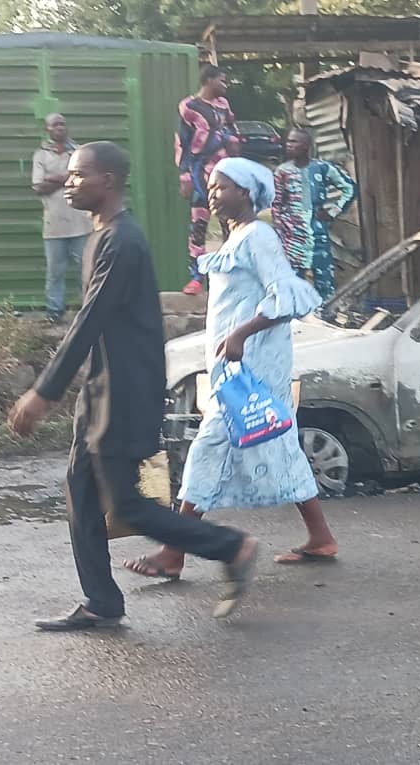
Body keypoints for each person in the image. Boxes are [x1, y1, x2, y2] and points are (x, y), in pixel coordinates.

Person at [8, 141, 259, 630]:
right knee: (80, 492)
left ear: (108, 180)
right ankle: (101, 601)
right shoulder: (102, 236)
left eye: (79, 175)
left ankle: (233, 546)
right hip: (101, 390)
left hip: (126, 393)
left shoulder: (123, 242)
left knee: (127, 505)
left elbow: (88, 321)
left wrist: (43, 392)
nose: (69, 182)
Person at [123, 157, 339, 579]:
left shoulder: (258, 236)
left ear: (245, 192)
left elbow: (288, 296)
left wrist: (241, 333)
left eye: (221, 186)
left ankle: (174, 550)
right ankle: (321, 537)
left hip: (251, 367)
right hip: (237, 366)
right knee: (280, 443)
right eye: (211, 185)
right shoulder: (237, 238)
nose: (213, 193)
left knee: (208, 447)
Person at [272, 128, 357, 301]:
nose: (289, 145)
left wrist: (333, 211)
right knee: (292, 281)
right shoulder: (282, 172)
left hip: (318, 234)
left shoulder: (322, 168)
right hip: (292, 237)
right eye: (288, 141)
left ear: (306, 146)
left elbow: (349, 188)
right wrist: (280, 232)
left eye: (294, 142)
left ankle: (326, 317)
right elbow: (276, 205)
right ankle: (295, 317)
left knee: (324, 281)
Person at [176, 64, 239, 297]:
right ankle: (196, 277)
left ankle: (231, 275)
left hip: (224, 172)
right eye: (222, 81)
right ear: (209, 81)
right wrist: (184, 176)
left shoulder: (224, 105)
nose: (226, 85)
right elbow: (182, 142)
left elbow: (232, 129)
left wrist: (234, 143)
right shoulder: (189, 106)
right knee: (199, 224)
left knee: (229, 224)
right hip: (200, 172)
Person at [31, 113, 93, 323]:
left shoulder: (78, 152)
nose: (60, 128)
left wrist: (54, 178)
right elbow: (38, 187)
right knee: (55, 273)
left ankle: (88, 310)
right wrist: (66, 179)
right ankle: (54, 313)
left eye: (62, 124)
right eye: (55, 125)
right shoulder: (41, 155)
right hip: (54, 225)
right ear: (47, 129)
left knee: (87, 271)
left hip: (81, 224)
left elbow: (84, 180)